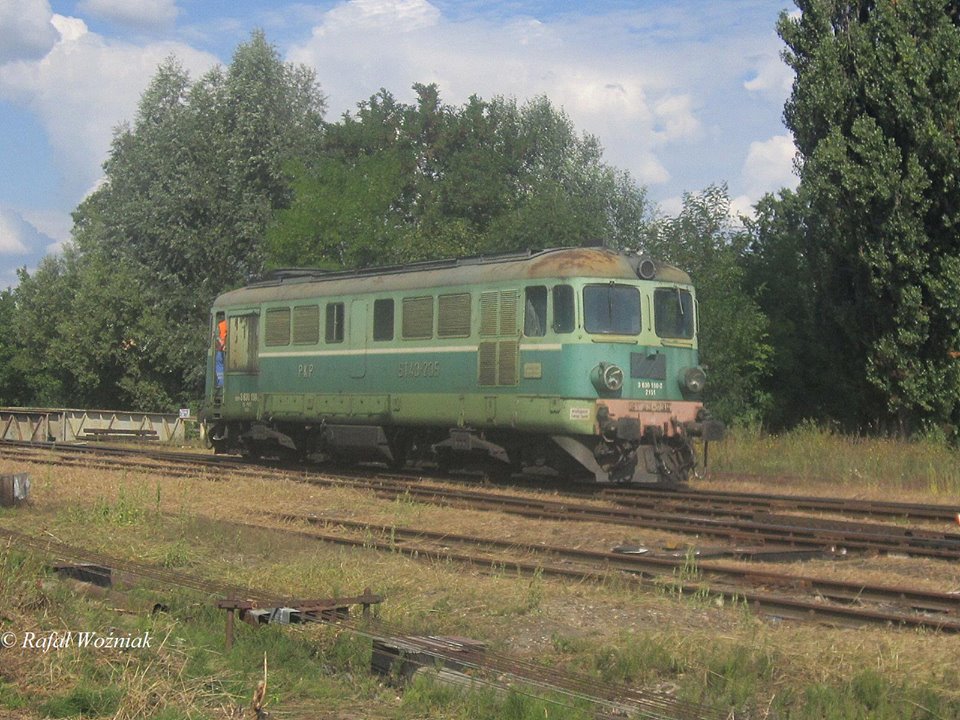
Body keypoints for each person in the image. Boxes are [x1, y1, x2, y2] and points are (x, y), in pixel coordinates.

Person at [215, 317, 227, 387]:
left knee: (219, 364)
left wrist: (222, 343)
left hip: (221, 349)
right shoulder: (229, 324)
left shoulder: (220, 325)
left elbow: (217, 336)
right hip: (228, 349)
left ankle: (221, 383)